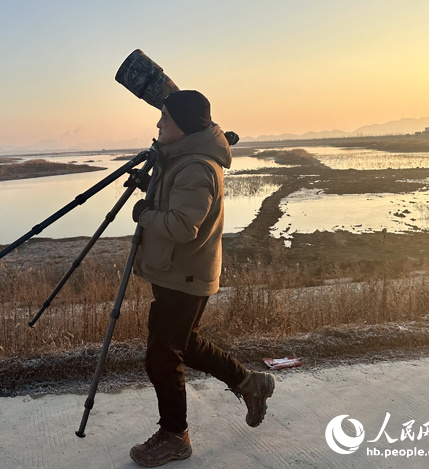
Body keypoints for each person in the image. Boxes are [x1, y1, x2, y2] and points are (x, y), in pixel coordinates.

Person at [127, 90, 276, 467]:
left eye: (165, 117)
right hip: (177, 270)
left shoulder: (196, 167)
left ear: (183, 125)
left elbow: (182, 226)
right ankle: (251, 383)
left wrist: (143, 213)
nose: (158, 123)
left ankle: (174, 436)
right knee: (185, 345)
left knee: (162, 357)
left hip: (185, 274)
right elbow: (174, 202)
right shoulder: (182, 158)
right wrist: (149, 187)